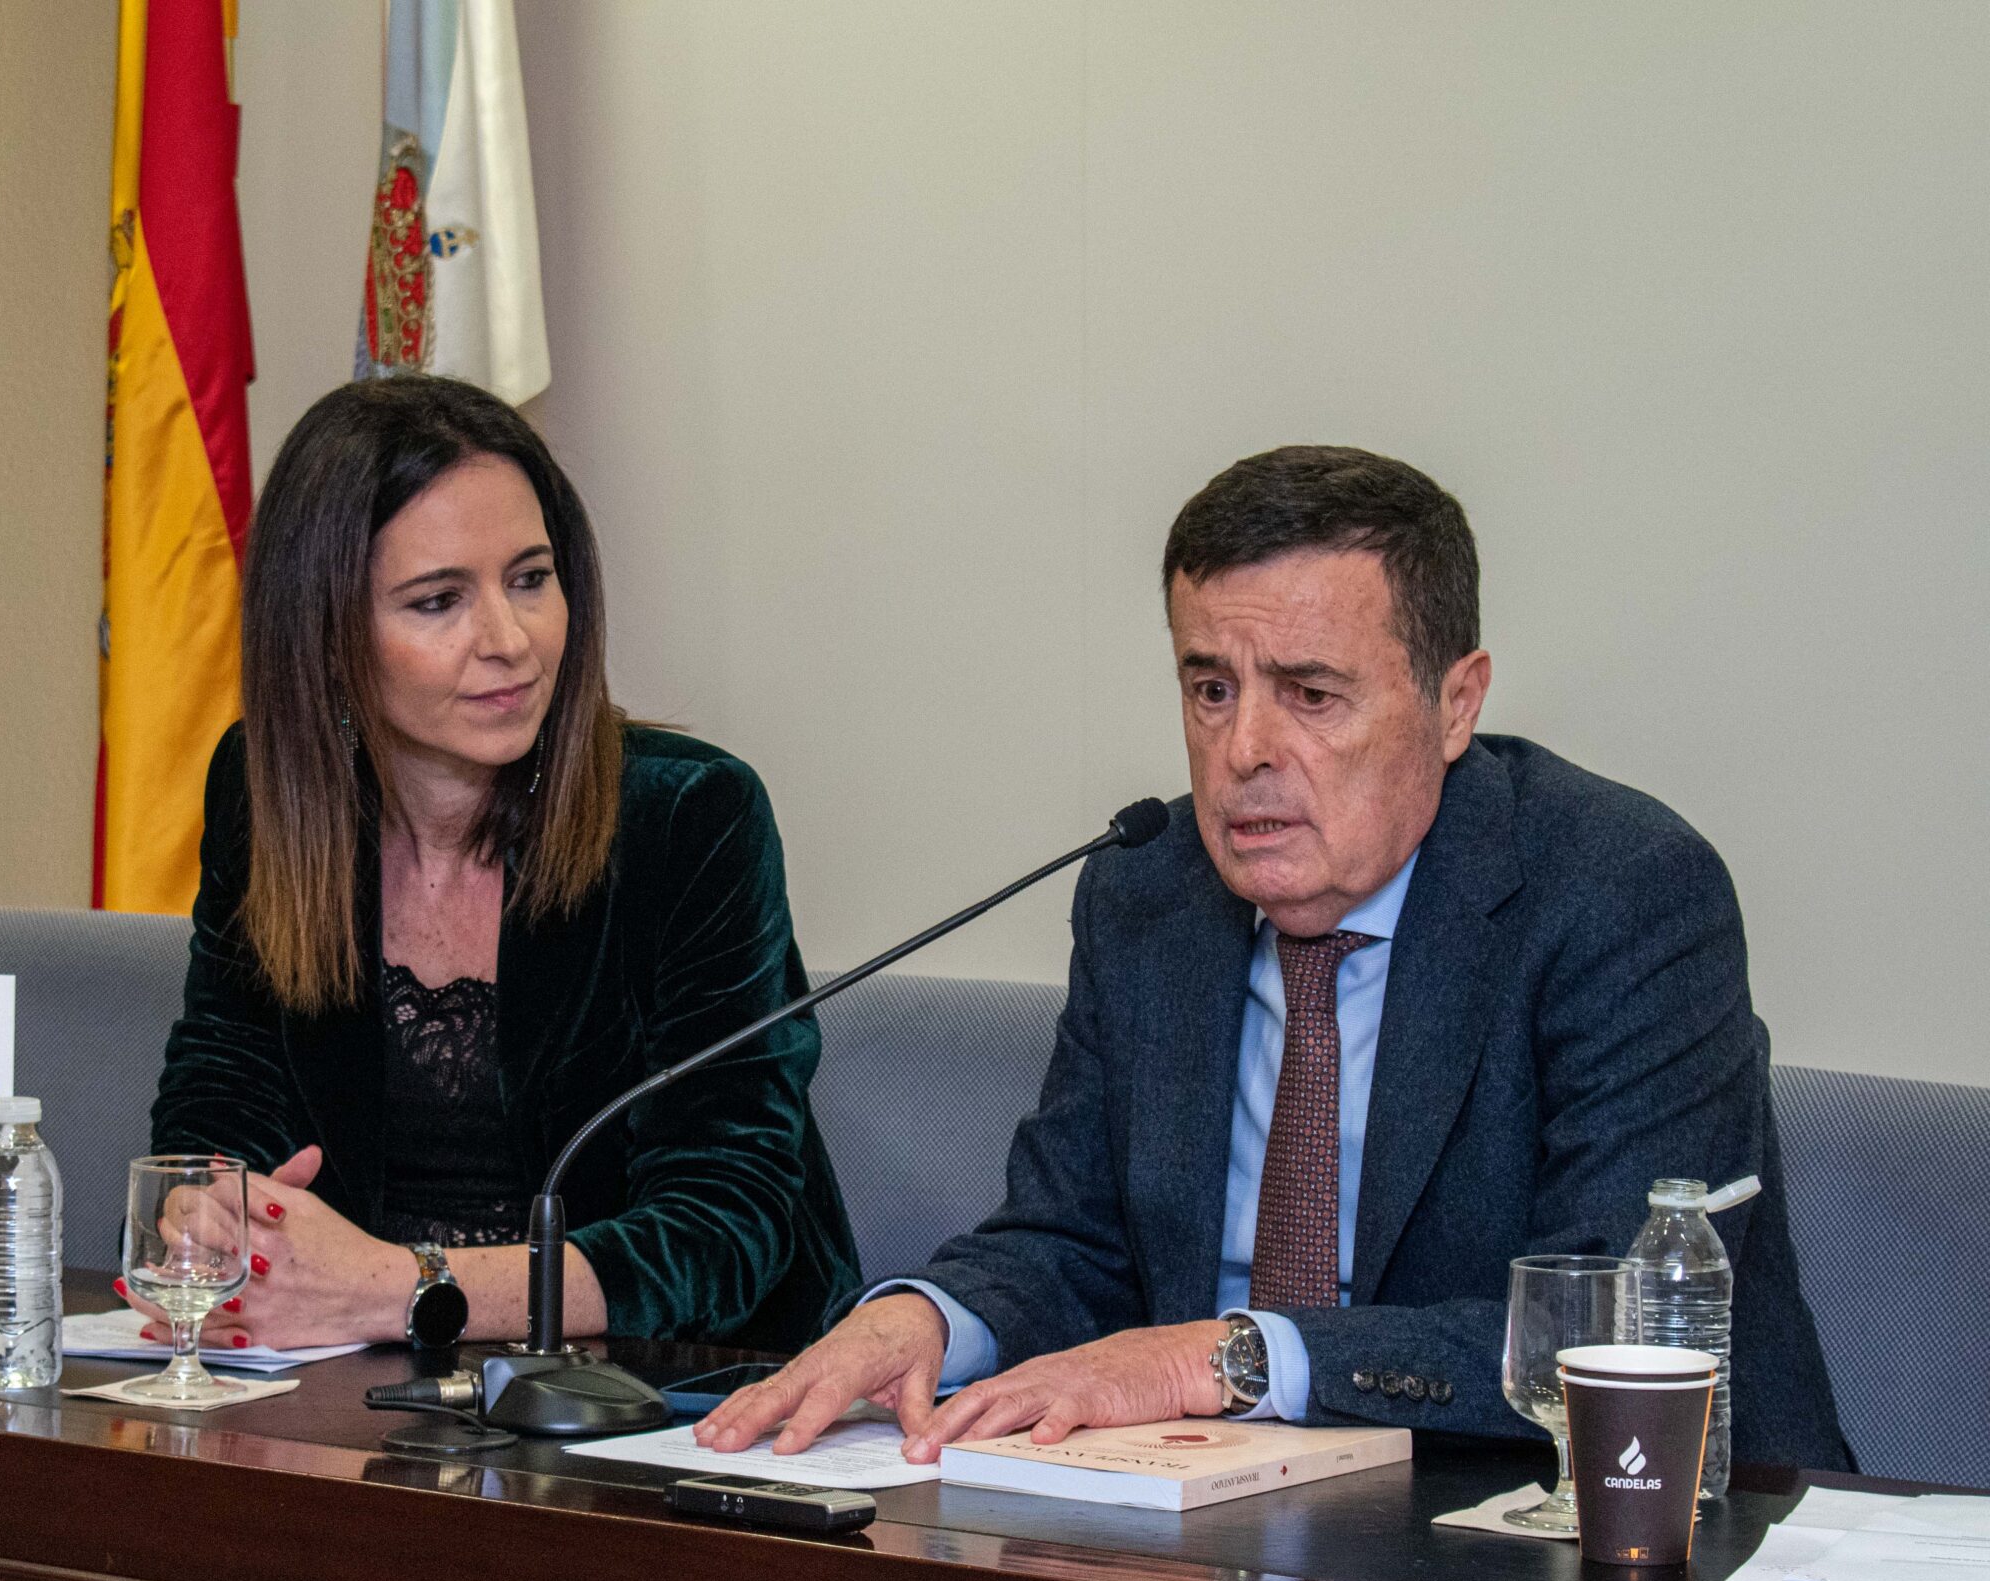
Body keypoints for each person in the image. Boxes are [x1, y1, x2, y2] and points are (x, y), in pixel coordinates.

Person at [699, 445, 1852, 1471]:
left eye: (1310, 694)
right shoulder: (1147, 890)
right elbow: (1073, 1238)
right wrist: (924, 1319)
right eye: (1210, 689)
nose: (1244, 748)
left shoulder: (1618, 890)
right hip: (1217, 1514)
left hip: (1593, 1521)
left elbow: (1622, 1323)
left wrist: (1222, 1358)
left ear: (1455, 703)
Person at [146, 376, 858, 1354]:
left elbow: (725, 1228)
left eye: (530, 578)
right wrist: (211, 1211)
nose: (510, 641)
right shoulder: (265, 788)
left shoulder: (689, 816)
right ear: (324, 632)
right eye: (439, 600)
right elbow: (224, 1080)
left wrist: (402, 1289)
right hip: (355, 1371)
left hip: (670, 1386)